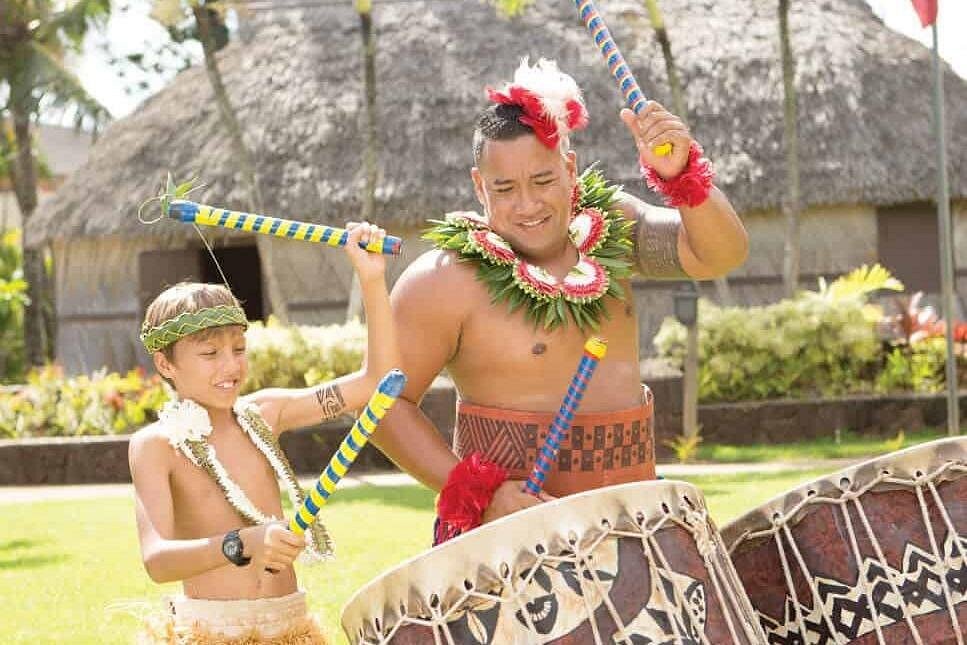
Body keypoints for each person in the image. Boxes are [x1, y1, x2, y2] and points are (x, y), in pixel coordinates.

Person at [370, 58, 749, 543]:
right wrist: (483, 494)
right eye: (504, 188)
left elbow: (719, 254)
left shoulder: (616, 228)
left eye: (543, 181)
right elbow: (383, 404)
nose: (527, 205)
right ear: (478, 186)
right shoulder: (442, 281)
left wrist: (682, 177)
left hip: (634, 526)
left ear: (569, 168)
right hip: (507, 537)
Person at [130, 222, 397, 643]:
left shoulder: (265, 413)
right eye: (209, 354)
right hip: (212, 632)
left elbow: (377, 381)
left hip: (291, 627)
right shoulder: (156, 446)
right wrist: (243, 543)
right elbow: (157, 561)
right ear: (166, 365)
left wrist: (372, 278)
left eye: (238, 349)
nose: (230, 366)